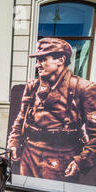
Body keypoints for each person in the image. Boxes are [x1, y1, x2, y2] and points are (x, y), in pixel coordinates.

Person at [7, 38, 96, 183]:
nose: (37, 65)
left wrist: (81, 161)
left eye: (43, 59)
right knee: (28, 191)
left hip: (62, 159)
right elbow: (21, 118)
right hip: (29, 155)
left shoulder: (84, 88)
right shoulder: (33, 86)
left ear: (60, 60)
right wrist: (13, 143)